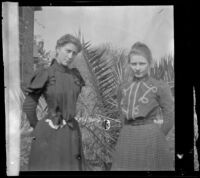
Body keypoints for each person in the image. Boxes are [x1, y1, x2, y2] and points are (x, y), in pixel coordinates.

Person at [22, 34, 85, 171]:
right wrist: (37, 126)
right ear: (57, 49)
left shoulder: (75, 76)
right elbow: (29, 105)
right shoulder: (46, 73)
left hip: (72, 131)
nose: (70, 56)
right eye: (67, 51)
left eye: (74, 53)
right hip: (50, 131)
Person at [111, 42, 174, 171]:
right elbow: (121, 113)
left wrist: (159, 136)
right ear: (129, 64)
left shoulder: (159, 87)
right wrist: (126, 131)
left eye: (142, 63)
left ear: (150, 63)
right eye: (134, 64)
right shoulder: (123, 88)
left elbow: (170, 114)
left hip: (150, 137)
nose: (137, 68)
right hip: (127, 137)